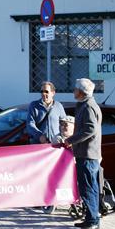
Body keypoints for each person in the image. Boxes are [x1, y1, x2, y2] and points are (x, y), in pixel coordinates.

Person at [66, 78, 103, 229]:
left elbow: (90, 129)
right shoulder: (85, 105)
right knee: (90, 188)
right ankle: (90, 218)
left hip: (88, 154)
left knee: (88, 188)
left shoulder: (88, 106)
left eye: (75, 89)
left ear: (81, 92)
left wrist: (71, 140)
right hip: (86, 153)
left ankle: (93, 220)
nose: (73, 91)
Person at [26, 80, 68, 213]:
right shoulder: (34, 105)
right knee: (39, 174)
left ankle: (52, 199)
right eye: (42, 91)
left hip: (55, 147)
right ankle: (38, 199)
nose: (44, 94)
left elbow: (64, 124)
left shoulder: (59, 106)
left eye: (47, 91)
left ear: (53, 93)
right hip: (39, 147)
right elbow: (29, 125)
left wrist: (65, 137)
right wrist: (39, 135)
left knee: (54, 173)